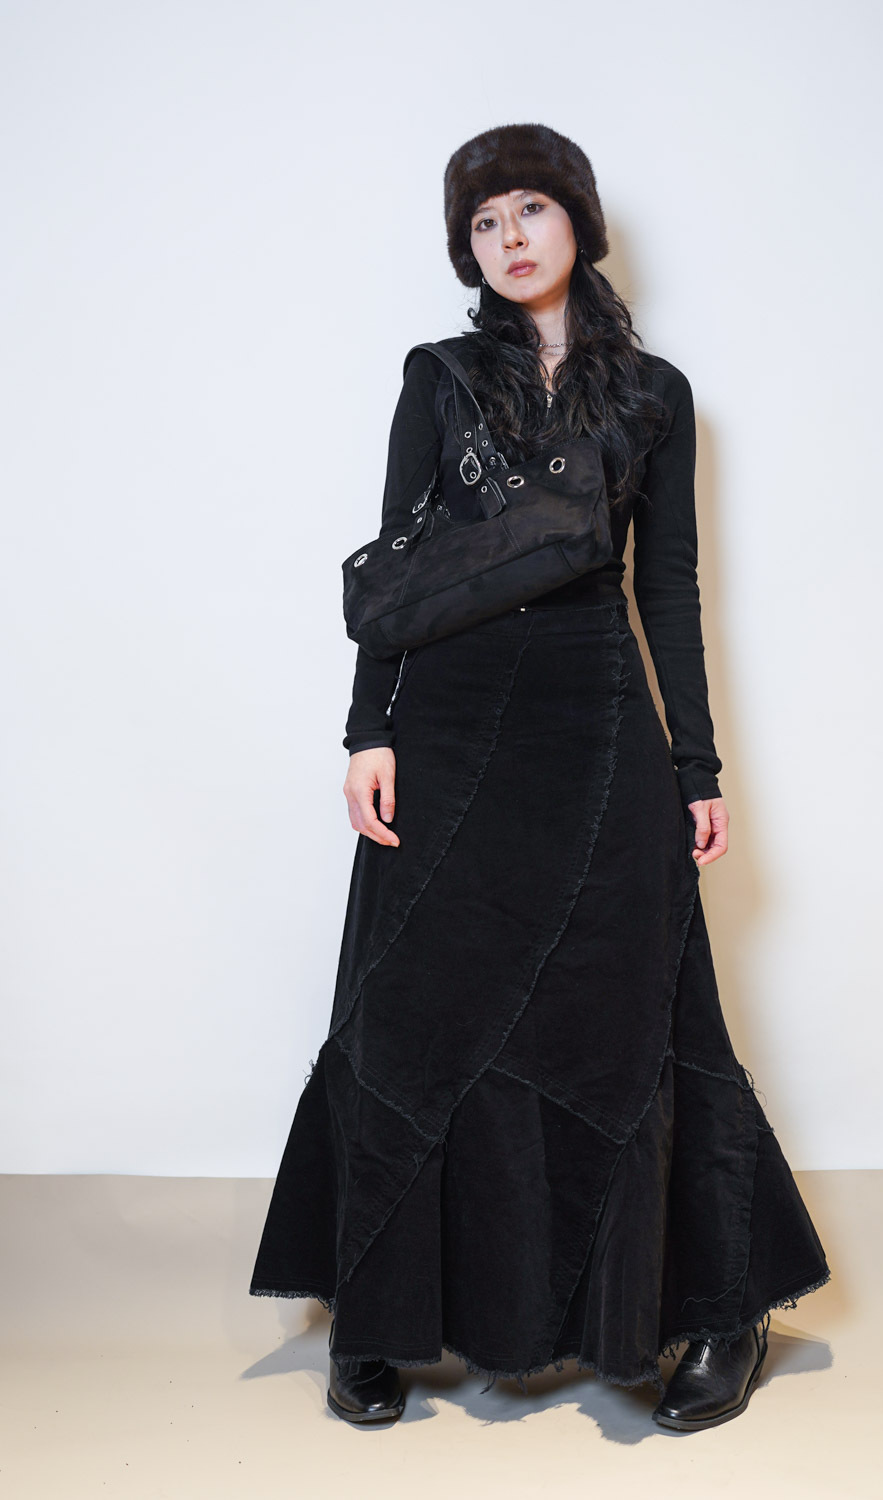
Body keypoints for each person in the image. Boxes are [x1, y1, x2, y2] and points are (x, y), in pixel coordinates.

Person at [249, 122, 831, 1432]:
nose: (510, 238)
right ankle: (378, 1314)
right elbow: (398, 561)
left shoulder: (655, 397)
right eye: (484, 222)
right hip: (450, 731)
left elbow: (668, 589)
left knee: (645, 1011)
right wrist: (368, 732)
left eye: (530, 209)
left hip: (597, 722)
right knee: (407, 1011)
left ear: (578, 222)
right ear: (467, 249)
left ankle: (718, 1311)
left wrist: (696, 763)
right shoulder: (441, 377)